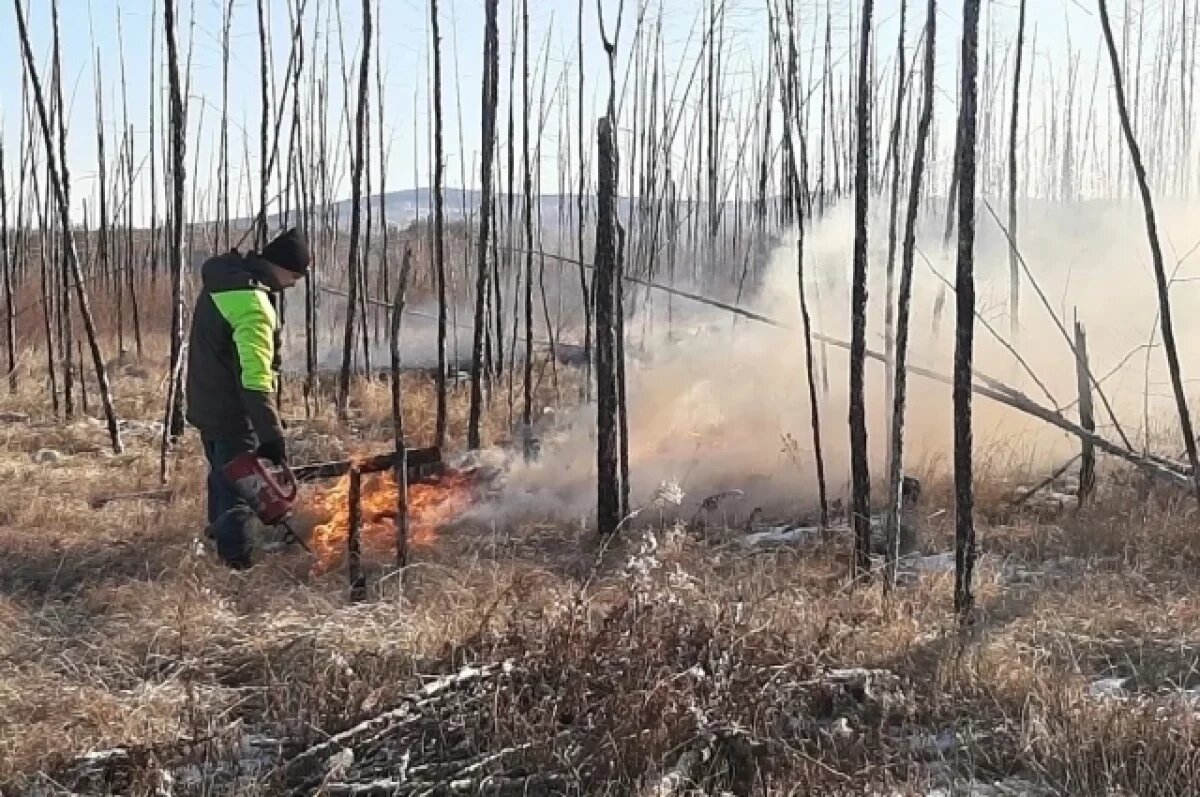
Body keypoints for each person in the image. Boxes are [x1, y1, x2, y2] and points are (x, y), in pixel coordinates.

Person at [184, 228, 309, 568]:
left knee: (222, 478)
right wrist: (271, 434)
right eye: (295, 274)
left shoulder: (225, 281)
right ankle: (237, 566)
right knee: (240, 491)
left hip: (206, 404)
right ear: (278, 267)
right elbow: (255, 378)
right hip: (232, 413)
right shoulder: (253, 305)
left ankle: (220, 544)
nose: (296, 282)